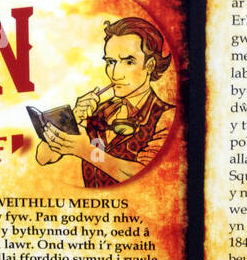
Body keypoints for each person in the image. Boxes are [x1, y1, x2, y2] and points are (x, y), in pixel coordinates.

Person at [36, 17, 175, 186]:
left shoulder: (166, 116)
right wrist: (71, 119)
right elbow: (43, 157)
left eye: (129, 62)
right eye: (111, 62)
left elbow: (147, 176)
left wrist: (86, 150)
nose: (115, 73)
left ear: (150, 65)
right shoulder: (100, 111)